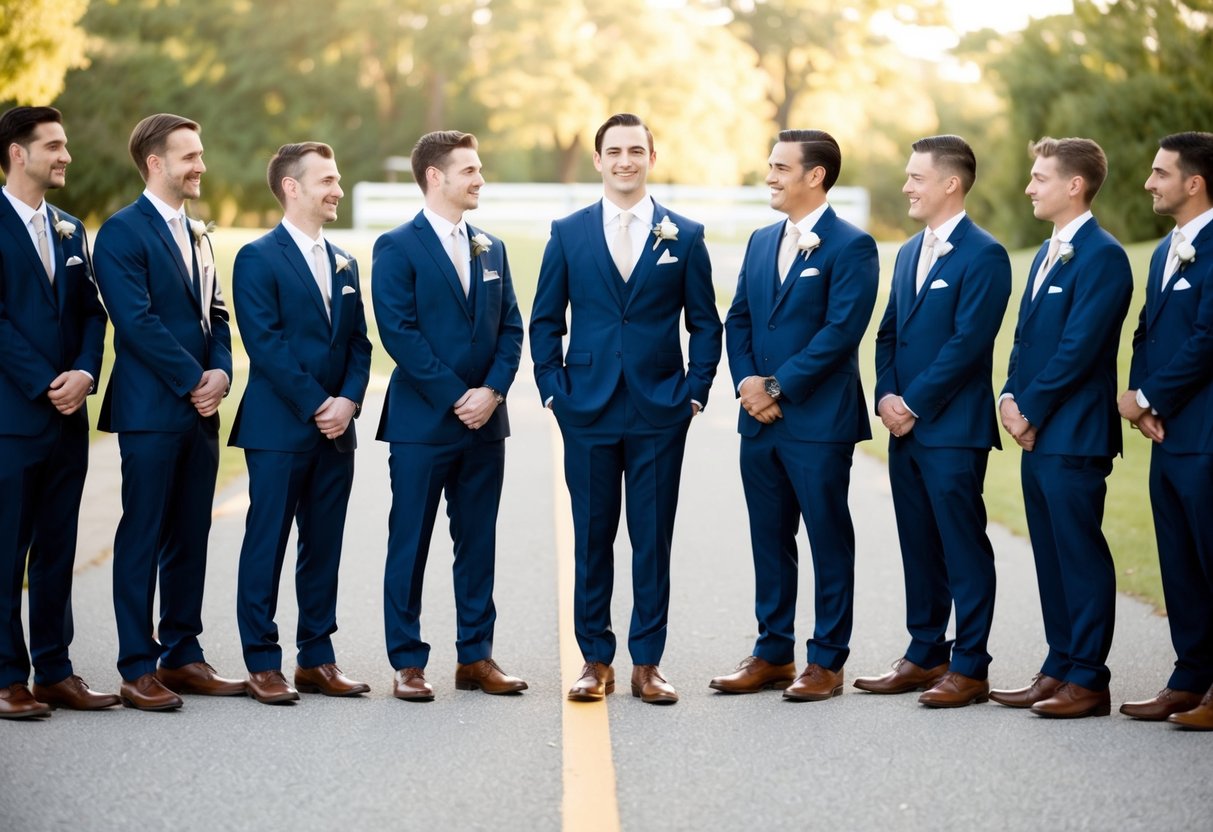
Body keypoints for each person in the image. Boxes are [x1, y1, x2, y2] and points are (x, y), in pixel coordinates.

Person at [530, 113, 722, 704]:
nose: (624, 161)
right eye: (614, 151)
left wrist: (694, 391)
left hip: (660, 410)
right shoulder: (568, 231)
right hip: (585, 410)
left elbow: (704, 323)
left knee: (651, 540)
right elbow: (544, 320)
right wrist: (553, 391)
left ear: (651, 158)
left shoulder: (684, 235)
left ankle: (647, 663)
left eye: (635, 150)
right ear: (598, 160)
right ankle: (594, 660)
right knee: (591, 539)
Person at [711, 129, 877, 701]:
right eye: (770, 166)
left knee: (828, 537)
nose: (770, 176)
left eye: (782, 167)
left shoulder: (852, 246)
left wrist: (777, 387)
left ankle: (826, 660)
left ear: (816, 176)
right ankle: (772, 652)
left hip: (818, 422)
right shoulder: (760, 241)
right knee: (769, 538)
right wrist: (747, 386)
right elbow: (738, 320)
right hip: (757, 422)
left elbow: (839, 334)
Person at [93, 113, 244, 710]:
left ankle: (183, 655)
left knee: (191, 533)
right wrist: (192, 380)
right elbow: (135, 323)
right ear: (156, 163)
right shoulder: (122, 233)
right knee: (144, 532)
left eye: (200, 154)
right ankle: (137, 665)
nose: (201, 165)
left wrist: (222, 372)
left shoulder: (200, 234)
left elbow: (217, 314)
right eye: (190, 156)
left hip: (200, 410)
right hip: (152, 410)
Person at [373, 130, 526, 702]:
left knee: (478, 541)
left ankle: (477, 656)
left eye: (479, 168)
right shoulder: (397, 246)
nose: (479, 178)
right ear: (435, 176)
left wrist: (491, 392)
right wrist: (455, 395)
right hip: (422, 424)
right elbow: (399, 332)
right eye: (469, 170)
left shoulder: (493, 247)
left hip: (486, 423)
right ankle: (408, 661)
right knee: (409, 541)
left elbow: (511, 327)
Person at [859, 135, 1011, 708]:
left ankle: (970, 665)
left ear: (950, 183)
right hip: (905, 428)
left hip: (952, 429)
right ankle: (925, 654)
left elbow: (969, 343)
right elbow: (890, 331)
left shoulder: (985, 254)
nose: (906, 187)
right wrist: (886, 395)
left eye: (916, 177)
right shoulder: (907, 252)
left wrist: (913, 403)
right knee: (917, 544)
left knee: (961, 546)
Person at [229, 142, 372, 705]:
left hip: (338, 431)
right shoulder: (257, 257)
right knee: (267, 544)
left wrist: (350, 402)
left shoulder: (345, 261)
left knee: (324, 546)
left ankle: (317, 657)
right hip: (280, 428)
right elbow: (265, 344)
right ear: (293, 187)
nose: (337, 189)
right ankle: (263, 662)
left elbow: (360, 344)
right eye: (328, 180)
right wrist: (320, 404)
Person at [994, 137, 1132, 719]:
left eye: (1039, 178)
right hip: (1038, 430)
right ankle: (1057, 666)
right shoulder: (1048, 252)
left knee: (1079, 553)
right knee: (1049, 554)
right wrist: (1007, 392)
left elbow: (1080, 348)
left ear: (1074, 185)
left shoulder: (1102, 256)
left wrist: (1031, 408)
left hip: (1074, 432)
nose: (1029, 187)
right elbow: (1026, 339)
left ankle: (1088, 679)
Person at [0, 106, 115, 718]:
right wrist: (48, 381)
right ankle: (5, 676)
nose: (65, 155)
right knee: (5, 551)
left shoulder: (72, 228)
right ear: (19, 153)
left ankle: (55, 670)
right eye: (54, 146)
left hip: (69, 419)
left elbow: (92, 311)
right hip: (11, 420)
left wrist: (86, 371)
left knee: (57, 547)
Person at [1118, 131, 1213, 730]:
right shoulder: (1164, 250)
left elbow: (1209, 337)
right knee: (1178, 559)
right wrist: (1139, 398)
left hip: (1207, 430)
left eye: (1160, 173)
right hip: (1168, 432)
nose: (1150, 182)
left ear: (1194, 182)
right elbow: (1146, 332)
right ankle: (1189, 678)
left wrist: (1150, 394)